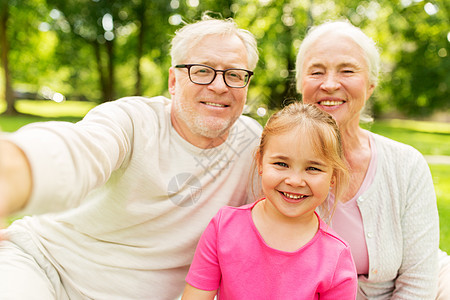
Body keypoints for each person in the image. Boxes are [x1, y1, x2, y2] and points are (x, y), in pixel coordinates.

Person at [0, 15, 262, 299]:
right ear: (174, 80)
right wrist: (10, 176)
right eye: (202, 71)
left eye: (235, 75)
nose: (220, 86)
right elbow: (77, 152)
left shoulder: (252, 145)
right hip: (42, 265)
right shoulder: (132, 120)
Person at [295, 20, 450, 299]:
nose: (330, 84)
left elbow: (418, 281)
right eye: (316, 71)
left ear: (370, 86)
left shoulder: (406, 164)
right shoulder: (277, 164)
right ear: (300, 86)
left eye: (347, 71)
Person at [182, 102, 358, 299]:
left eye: (313, 168)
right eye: (282, 164)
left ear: (333, 177)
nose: (294, 181)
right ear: (260, 163)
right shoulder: (223, 227)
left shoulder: (336, 258)